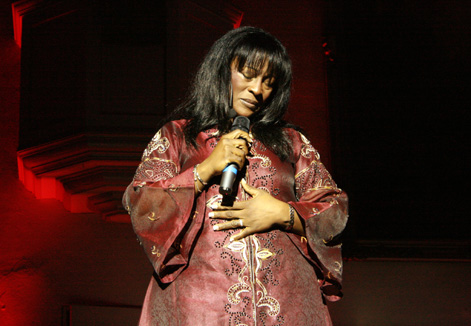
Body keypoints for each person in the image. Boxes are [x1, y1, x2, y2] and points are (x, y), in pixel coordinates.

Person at [123, 26, 348, 325]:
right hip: (201, 306)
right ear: (222, 68)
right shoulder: (178, 136)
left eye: (269, 82)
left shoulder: (291, 141)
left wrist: (284, 214)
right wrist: (205, 170)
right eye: (249, 74)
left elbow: (335, 207)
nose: (257, 90)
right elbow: (140, 201)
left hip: (287, 301)